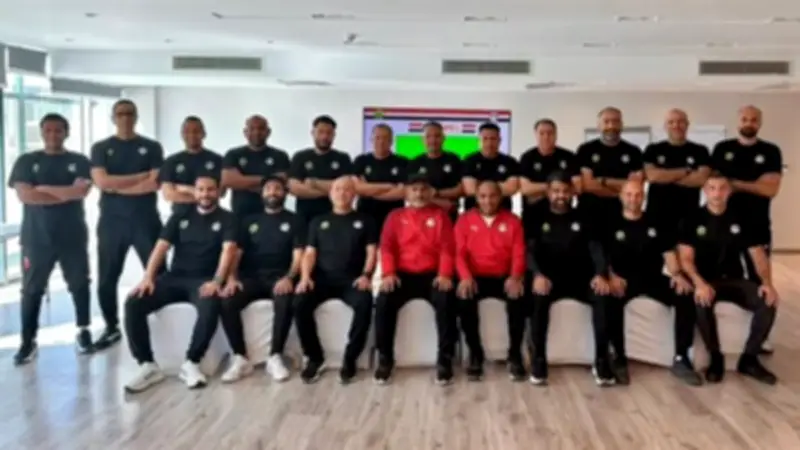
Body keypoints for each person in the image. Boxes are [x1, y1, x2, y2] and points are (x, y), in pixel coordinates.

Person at [123, 175, 238, 393]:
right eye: (201, 189)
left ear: (219, 192)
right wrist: (148, 277)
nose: (205, 194)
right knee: (134, 302)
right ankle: (147, 365)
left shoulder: (228, 218)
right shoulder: (180, 216)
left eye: (210, 189)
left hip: (204, 280)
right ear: (195, 192)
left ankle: (192, 362)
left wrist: (217, 281)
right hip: (174, 277)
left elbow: (229, 251)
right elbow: (161, 247)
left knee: (211, 304)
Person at [8, 113, 94, 365]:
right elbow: (26, 196)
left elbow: (81, 192)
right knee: (32, 290)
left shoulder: (79, 161)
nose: (53, 135)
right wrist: (65, 193)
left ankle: (83, 331)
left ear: (67, 133)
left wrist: (42, 189)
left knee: (79, 284)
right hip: (36, 238)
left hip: (72, 236)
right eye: (48, 130)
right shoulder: (26, 161)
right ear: (42, 133)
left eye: (58, 130)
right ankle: (28, 341)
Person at [677, 172, 778, 385]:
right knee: (701, 302)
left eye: (722, 188)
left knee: (768, 301)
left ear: (729, 191)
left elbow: (758, 255)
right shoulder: (692, 219)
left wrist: (767, 284)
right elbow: (685, 259)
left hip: (734, 279)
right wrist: (699, 283)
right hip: (706, 280)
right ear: (705, 191)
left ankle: (749, 359)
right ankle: (716, 358)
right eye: (712, 188)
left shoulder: (742, 218)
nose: (717, 194)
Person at [603, 181, 701, 386]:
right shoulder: (610, 222)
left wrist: (677, 275)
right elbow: (603, 257)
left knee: (684, 293)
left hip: (652, 278)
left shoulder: (656, 222)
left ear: (644, 197)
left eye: (638, 195)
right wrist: (610, 276)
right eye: (629, 194)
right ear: (621, 196)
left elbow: (668, 253)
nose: (633, 199)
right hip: (623, 279)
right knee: (610, 297)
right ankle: (618, 357)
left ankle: (681, 357)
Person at [526, 171, 615, 386]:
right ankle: (539, 359)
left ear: (572, 192)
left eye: (565, 191)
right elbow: (528, 252)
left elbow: (596, 249)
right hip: (549, 279)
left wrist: (600, 274)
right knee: (537, 298)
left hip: (581, 279)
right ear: (548, 192)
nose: (561, 196)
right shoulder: (537, 217)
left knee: (603, 295)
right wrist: (537, 274)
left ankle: (601, 360)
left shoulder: (584, 217)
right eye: (556, 191)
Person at [89, 99, 165, 351]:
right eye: (120, 114)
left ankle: (163, 319)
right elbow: (102, 182)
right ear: (113, 118)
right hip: (112, 223)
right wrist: (139, 178)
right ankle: (111, 326)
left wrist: (116, 185)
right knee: (107, 277)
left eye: (130, 113)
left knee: (158, 273)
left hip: (145, 221)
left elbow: (153, 183)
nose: (125, 118)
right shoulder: (101, 148)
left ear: (136, 116)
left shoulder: (151, 147)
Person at [217, 176, 304, 383]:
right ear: (261, 193)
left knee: (285, 300)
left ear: (285, 193)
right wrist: (231, 278)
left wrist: (289, 277)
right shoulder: (248, 221)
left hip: (280, 278)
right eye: (268, 189)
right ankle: (240, 357)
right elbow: (236, 254)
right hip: (251, 278)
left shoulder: (296, 220)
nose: (273, 192)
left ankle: (275, 356)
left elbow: (298, 255)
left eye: (277, 188)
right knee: (227, 301)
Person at [373, 173, 458, 385]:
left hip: (433, 275)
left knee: (446, 299)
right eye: (414, 189)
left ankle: (445, 359)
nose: (419, 194)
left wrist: (445, 274)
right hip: (402, 275)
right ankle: (385, 358)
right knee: (384, 301)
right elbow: (387, 247)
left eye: (423, 189)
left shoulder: (441, 216)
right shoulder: (395, 216)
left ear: (430, 192)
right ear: (406, 192)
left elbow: (448, 248)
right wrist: (388, 273)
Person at [711, 105, 782, 354]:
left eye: (753, 119)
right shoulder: (722, 149)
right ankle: (729, 333)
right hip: (723, 225)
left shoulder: (770, 151)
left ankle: (761, 336)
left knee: (760, 280)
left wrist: (735, 183)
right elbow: (716, 184)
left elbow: (771, 189)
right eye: (744, 119)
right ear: (738, 121)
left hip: (757, 224)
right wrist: (754, 183)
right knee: (726, 277)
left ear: (759, 123)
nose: (749, 123)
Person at [293, 177, 376, 385]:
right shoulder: (317, 221)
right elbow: (309, 253)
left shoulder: (366, 220)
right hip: (321, 280)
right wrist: (305, 278)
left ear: (354, 194)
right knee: (300, 302)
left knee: (365, 303)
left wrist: (366, 275)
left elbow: (372, 252)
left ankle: (350, 359)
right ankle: (314, 357)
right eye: (337, 189)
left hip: (352, 281)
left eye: (347, 189)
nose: (342, 193)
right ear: (330, 194)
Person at [454, 180, 526, 381]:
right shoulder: (464, 220)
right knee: (464, 300)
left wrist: (515, 277)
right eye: (483, 196)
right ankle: (475, 354)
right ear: (476, 198)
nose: (488, 201)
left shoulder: (513, 221)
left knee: (518, 300)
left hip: (504, 277)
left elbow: (519, 253)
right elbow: (458, 254)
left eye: (493, 196)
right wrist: (465, 277)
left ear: (500, 197)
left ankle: (515, 354)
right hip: (475, 277)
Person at [642, 109, 711, 241]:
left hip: (689, 215)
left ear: (687, 124)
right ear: (665, 126)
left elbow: (701, 179)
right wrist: (686, 171)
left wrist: (665, 176)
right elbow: (652, 176)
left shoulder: (700, 150)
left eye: (680, 122)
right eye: (671, 122)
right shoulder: (653, 149)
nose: (676, 125)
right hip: (657, 216)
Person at [576, 107, 644, 230]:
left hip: (622, 216)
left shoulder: (634, 152)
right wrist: (620, 190)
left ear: (621, 125)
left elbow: (635, 185)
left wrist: (603, 181)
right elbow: (587, 185)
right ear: (598, 125)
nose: (611, 125)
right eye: (606, 121)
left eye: (615, 121)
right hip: (590, 215)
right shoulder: (586, 149)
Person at [288, 115, 353, 226]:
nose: (324, 136)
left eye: (329, 133)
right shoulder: (300, 157)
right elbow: (294, 189)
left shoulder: (343, 158)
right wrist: (332, 190)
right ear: (313, 133)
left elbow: (346, 187)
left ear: (334, 135)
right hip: (305, 218)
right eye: (321, 132)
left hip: (336, 218)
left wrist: (314, 183)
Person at [221, 115, 290, 217]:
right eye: (252, 129)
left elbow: (281, 181)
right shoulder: (233, 154)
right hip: (240, 215)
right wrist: (267, 181)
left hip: (272, 215)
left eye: (261, 129)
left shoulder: (280, 156)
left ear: (268, 132)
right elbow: (228, 180)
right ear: (245, 132)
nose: (256, 132)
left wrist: (243, 182)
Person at [518, 118, 581, 229]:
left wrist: (538, 192)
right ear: (536, 135)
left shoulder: (568, 156)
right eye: (542, 133)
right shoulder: (527, 158)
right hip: (533, 217)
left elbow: (578, 187)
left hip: (563, 217)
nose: (546, 137)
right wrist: (559, 188)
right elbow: (525, 189)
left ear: (556, 135)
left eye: (550, 133)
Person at [160, 116, 223, 215]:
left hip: (211, 216)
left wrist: (183, 188)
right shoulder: (171, 161)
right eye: (187, 131)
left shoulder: (217, 160)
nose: (192, 135)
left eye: (196, 131)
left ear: (204, 134)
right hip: (181, 216)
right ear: (182, 134)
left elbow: (221, 192)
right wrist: (204, 196)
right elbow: (168, 194)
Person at [353, 123, 407, 233]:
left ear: (391, 141)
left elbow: (402, 192)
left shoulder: (403, 162)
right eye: (377, 138)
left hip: (393, 217)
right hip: (365, 215)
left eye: (385, 138)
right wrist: (388, 186)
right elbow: (357, 188)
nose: (381, 142)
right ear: (371, 139)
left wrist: (368, 189)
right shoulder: (361, 161)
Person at [406, 121, 463, 222]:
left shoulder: (454, 159)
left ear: (443, 138)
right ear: (422, 139)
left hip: (449, 217)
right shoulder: (415, 163)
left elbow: (460, 190)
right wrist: (442, 202)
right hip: (421, 217)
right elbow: (411, 195)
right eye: (428, 136)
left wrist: (436, 193)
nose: (433, 140)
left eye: (437, 136)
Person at [462, 122, 520, 211]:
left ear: (499, 140)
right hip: (473, 213)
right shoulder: (469, 161)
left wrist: (479, 184)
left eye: (493, 139)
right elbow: (469, 189)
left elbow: (512, 188)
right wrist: (500, 186)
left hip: (503, 213)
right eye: (485, 139)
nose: (489, 143)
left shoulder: (510, 162)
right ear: (479, 140)